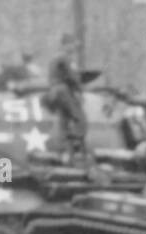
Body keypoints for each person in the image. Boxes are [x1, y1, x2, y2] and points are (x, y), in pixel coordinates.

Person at [46, 34, 87, 162]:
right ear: (66, 45)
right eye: (72, 44)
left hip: (54, 92)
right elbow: (72, 76)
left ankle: (62, 149)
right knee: (80, 119)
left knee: (64, 120)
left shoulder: (55, 58)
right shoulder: (66, 58)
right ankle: (74, 142)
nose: (74, 47)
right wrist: (79, 90)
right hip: (63, 91)